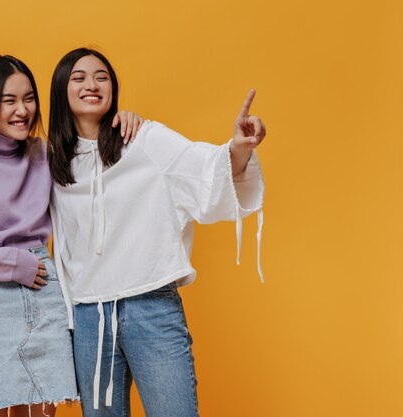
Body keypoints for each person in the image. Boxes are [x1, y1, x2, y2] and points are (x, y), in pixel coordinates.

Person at [0, 54, 142, 417]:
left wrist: (121, 123)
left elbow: (95, 174)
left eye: (29, 98)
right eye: (9, 101)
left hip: (44, 292)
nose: (23, 110)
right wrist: (9, 263)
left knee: (40, 412)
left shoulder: (43, 154)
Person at [48, 48, 266, 417]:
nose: (92, 84)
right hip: (89, 319)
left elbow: (200, 167)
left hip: (151, 306)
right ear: (61, 91)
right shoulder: (53, 160)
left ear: (113, 89)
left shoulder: (144, 139)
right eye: (79, 77)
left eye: (102, 76)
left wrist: (238, 148)